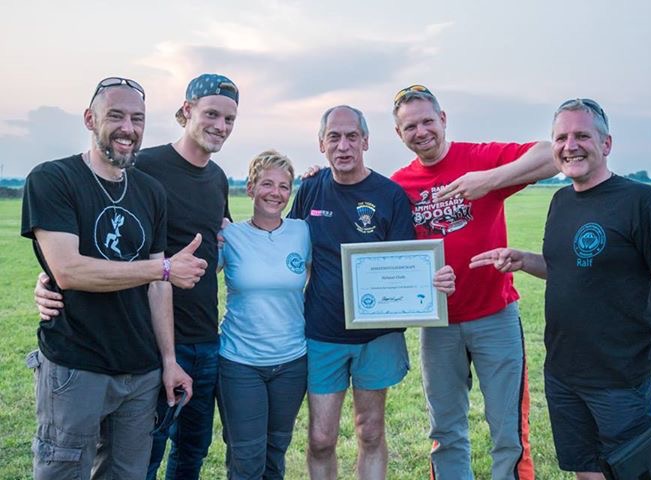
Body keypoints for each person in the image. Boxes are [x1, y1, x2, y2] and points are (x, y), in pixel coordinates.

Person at [470, 98, 651, 479]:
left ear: (606, 144)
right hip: (563, 374)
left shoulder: (641, 201)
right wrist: (526, 260)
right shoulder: (561, 201)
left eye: (581, 136)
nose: (569, 145)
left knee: (631, 472)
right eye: (560, 137)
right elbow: (570, 269)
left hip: (619, 378)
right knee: (585, 473)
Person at [33, 73, 239, 480]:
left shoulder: (203, 180)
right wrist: (47, 281)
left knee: (184, 453)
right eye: (212, 113)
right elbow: (76, 259)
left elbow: (209, 244)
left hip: (184, 344)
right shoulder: (132, 168)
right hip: (106, 350)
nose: (221, 125)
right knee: (106, 462)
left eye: (230, 119)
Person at [390, 84, 558, 480]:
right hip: (438, 323)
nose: (421, 132)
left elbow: (551, 154)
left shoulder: (478, 159)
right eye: (410, 126)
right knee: (445, 430)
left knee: (508, 430)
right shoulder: (398, 184)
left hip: (494, 314)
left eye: (428, 121)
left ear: (443, 119)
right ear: (399, 134)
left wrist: (489, 181)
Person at [288, 105, 456, 480]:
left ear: (366, 141)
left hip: (376, 335)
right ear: (321, 144)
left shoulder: (389, 195)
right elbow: (292, 249)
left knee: (370, 430)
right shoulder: (310, 189)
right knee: (320, 438)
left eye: (351, 136)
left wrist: (430, 282)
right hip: (322, 333)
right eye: (334, 137)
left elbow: (405, 267)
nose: (343, 146)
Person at [216, 150, 311, 479]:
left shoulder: (302, 232)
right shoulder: (229, 236)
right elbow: (190, 279)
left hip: (292, 362)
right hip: (240, 363)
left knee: (275, 454)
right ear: (251, 188)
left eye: (284, 186)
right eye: (267, 184)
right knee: (247, 458)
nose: (276, 193)